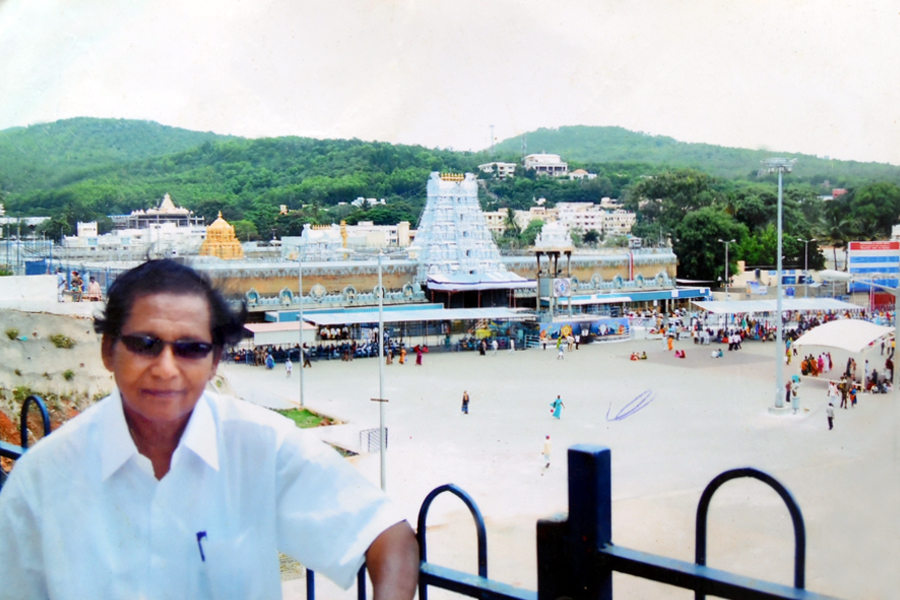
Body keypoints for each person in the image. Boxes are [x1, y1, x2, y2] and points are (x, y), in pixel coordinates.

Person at [0, 259, 418, 599]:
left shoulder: (259, 447)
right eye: (145, 344)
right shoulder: (42, 480)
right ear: (109, 350)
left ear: (215, 360)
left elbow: (387, 535)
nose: (166, 368)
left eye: (191, 348)